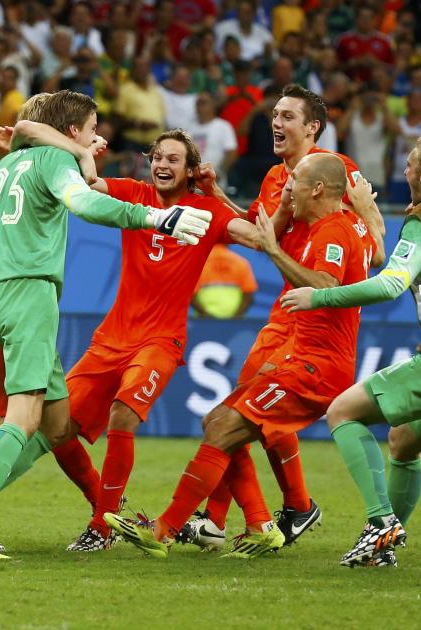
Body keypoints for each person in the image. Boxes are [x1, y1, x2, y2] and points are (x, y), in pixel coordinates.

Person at [0, 89, 213, 560]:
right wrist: (155, 217)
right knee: (21, 416)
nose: (95, 137)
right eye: (90, 129)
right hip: (30, 294)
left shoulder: (4, 167)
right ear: (70, 133)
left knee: (58, 424)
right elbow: (84, 204)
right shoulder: (52, 161)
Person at [105, 152, 372, 559]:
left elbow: (324, 284)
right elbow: (372, 253)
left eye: (295, 181)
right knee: (218, 421)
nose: (287, 187)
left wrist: (275, 252)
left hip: (315, 369)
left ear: (318, 189)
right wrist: (368, 213)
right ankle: (262, 524)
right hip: (299, 355)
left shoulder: (332, 232)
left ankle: (164, 530)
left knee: (225, 427)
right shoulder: (343, 225)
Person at [281, 135, 421, 568]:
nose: (403, 171)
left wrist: (319, 297)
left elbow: (391, 283)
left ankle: (380, 522)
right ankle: (381, 548)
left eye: (408, 165)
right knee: (403, 444)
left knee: (342, 412)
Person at [176, 84, 384, 552]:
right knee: (247, 406)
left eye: (288, 115)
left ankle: (231, 515)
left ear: (312, 127)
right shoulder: (275, 178)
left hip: (316, 314)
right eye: (275, 114)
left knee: (246, 411)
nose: (277, 122)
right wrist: (216, 195)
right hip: (286, 307)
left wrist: (373, 223)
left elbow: (368, 242)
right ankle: (281, 508)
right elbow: (257, 234)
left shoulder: (338, 172)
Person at [192, 244, 258, 319]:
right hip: (234, 324)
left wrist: (207, 317)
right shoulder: (240, 262)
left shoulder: (198, 262)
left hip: (203, 322)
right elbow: (249, 296)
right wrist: (234, 318)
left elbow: (190, 296)